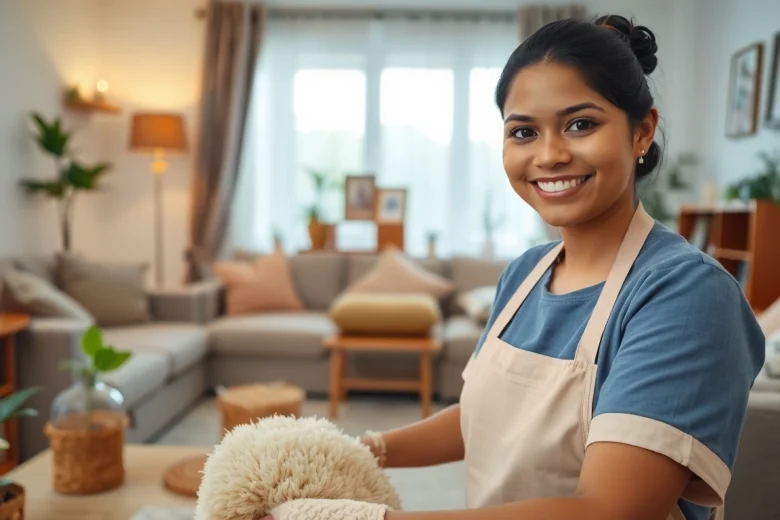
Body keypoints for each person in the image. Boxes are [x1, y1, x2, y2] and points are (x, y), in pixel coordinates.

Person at [265, 14, 766, 520]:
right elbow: (486, 418)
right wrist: (363, 449)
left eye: (581, 124)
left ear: (642, 132)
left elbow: (610, 511)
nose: (548, 155)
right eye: (523, 131)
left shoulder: (687, 296)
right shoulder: (524, 274)